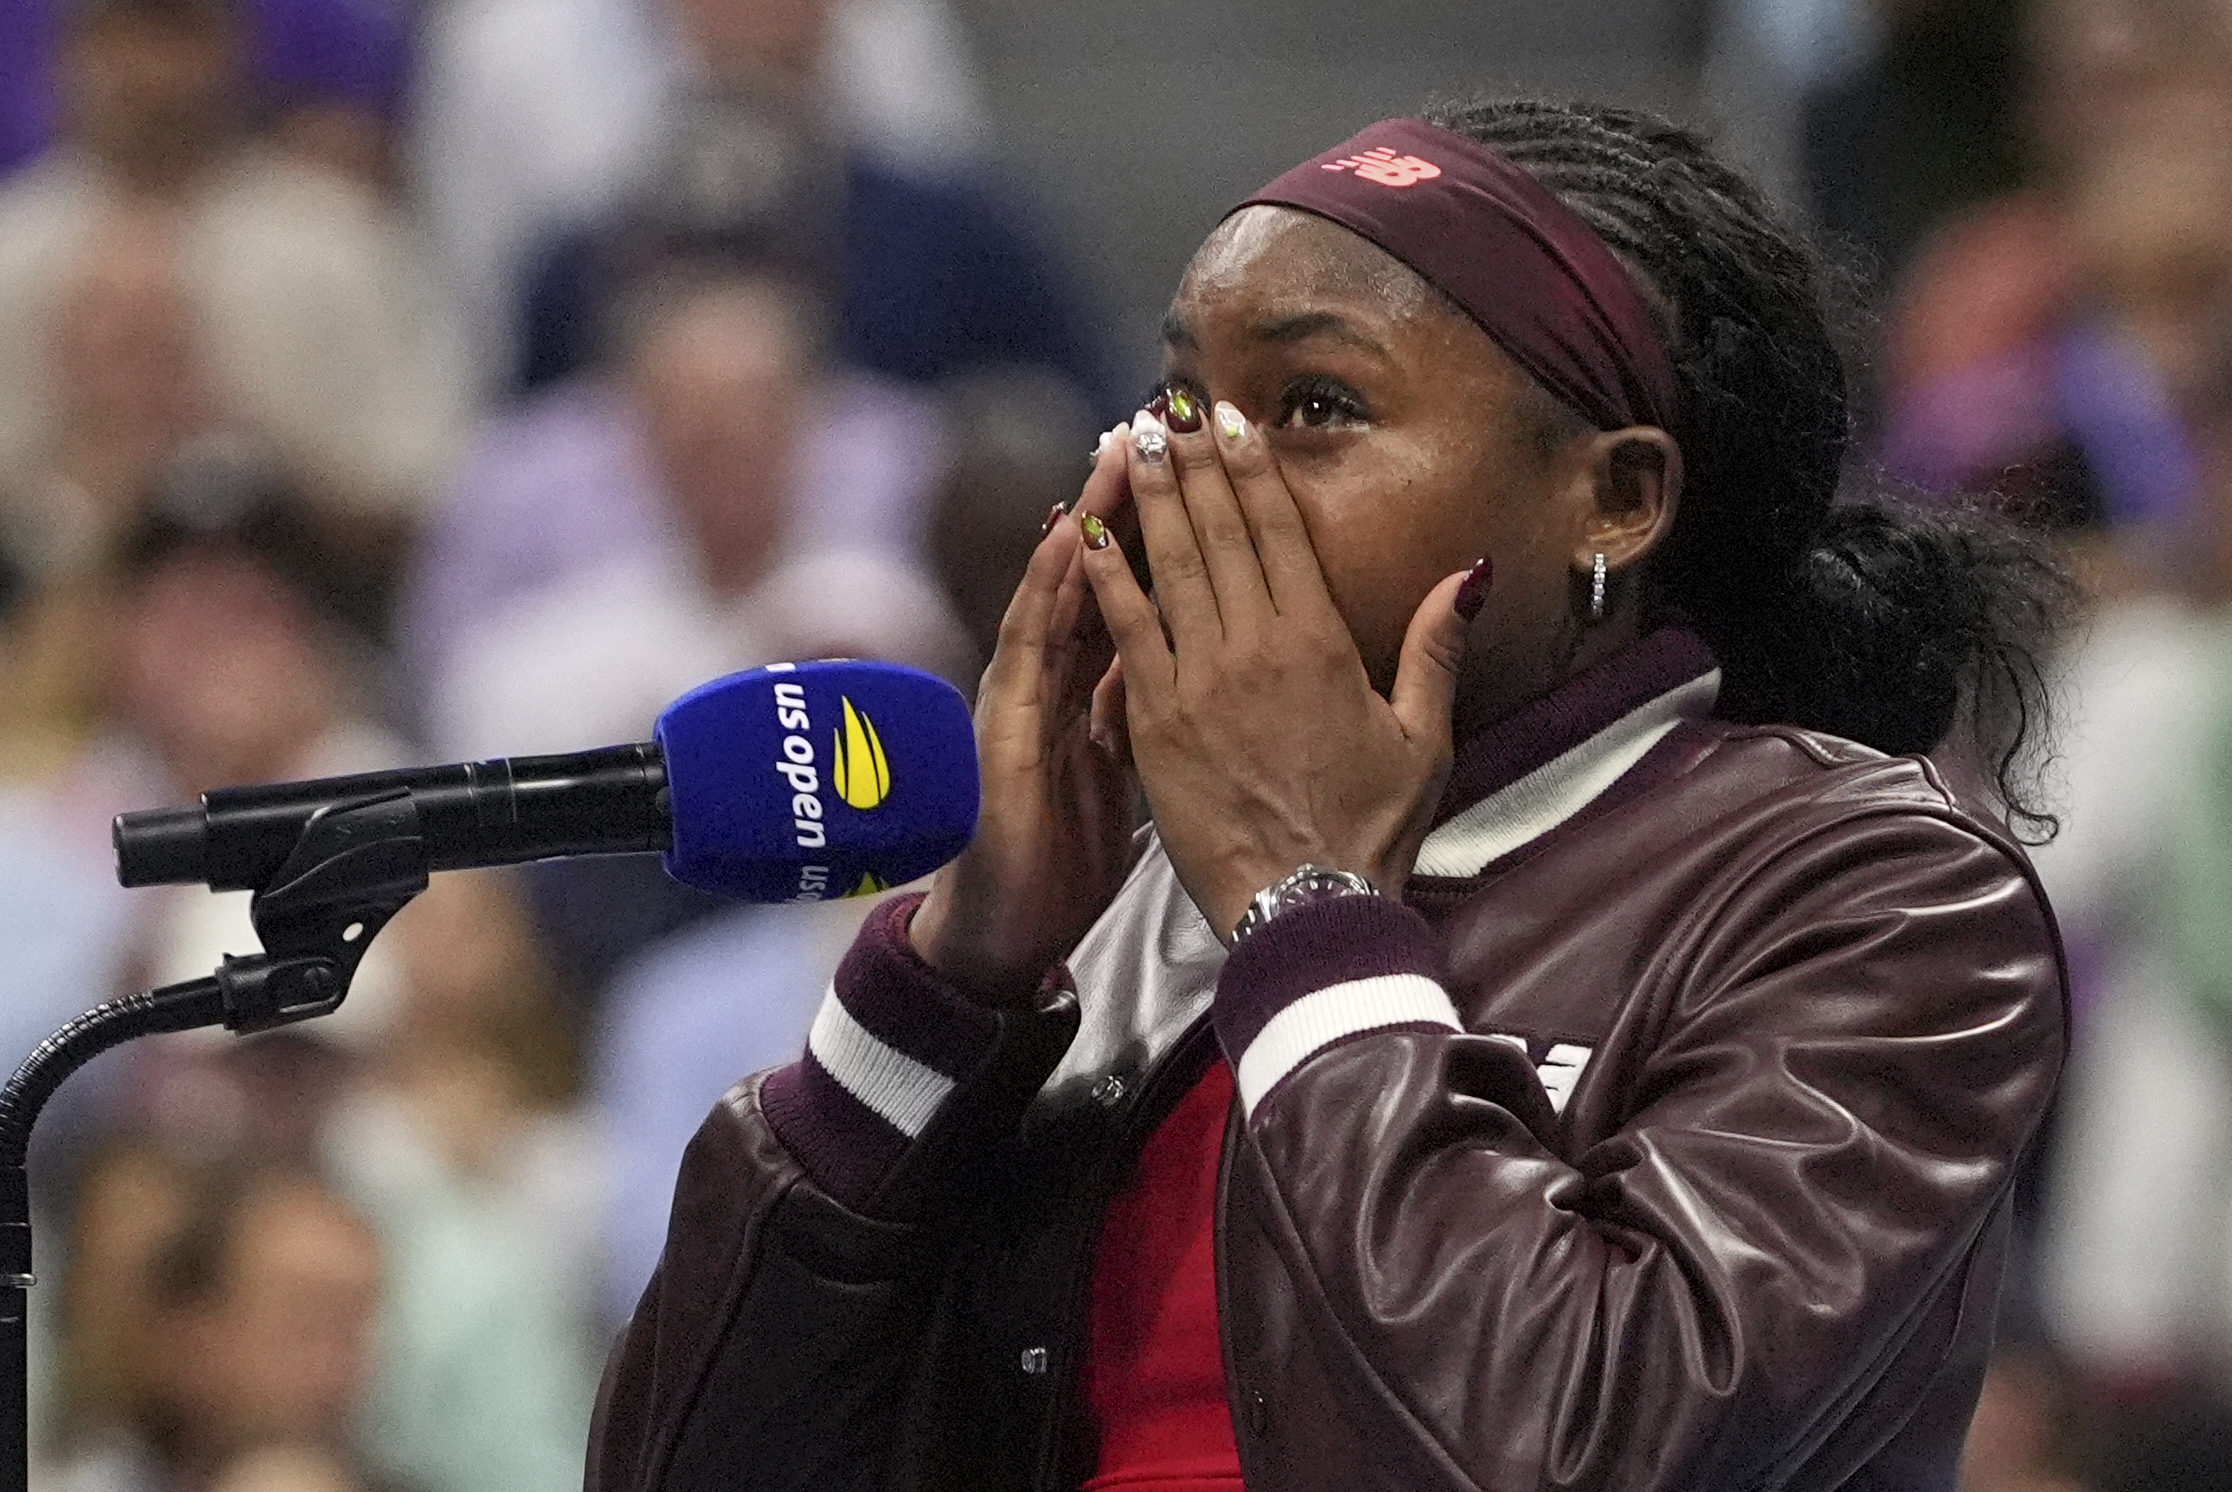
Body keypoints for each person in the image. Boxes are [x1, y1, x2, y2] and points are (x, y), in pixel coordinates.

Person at [586, 98, 2071, 1491]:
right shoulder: (1128, 912)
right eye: (1177, 400)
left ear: (1615, 496)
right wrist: (942, 986)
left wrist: (1311, 915)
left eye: (1310, 403)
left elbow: (1579, 1439)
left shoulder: (1875, 890)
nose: (1183, 471)